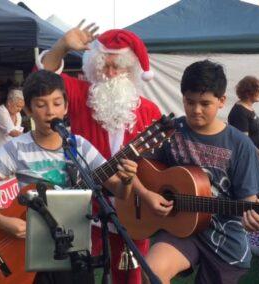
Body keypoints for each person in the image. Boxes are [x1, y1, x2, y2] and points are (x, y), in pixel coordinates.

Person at [0, 70, 138, 283]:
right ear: (28, 109)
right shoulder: (17, 148)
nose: (50, 112)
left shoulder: (79, 146)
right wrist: (2, 222)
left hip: (75, 252)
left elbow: (119, 191)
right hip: (32, 253)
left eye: (56, 103)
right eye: (41, 104)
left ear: (66, 107)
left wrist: (127, 181)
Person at [39, 22, 164, 284]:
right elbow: (43, 81)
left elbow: (157, 168)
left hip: (131, 211)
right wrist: (61, 46)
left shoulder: (150, 112)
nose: (108, 73)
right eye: (103, 66)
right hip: (83, 208)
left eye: (116, 67)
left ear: (129, 70)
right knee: (74, 274)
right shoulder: (81, 96)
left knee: (129, 277)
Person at [139, 60, 259, 284]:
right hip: (180, 229)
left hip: (224, 238)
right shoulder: (171, 132)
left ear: (221, 101)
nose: (196, 110)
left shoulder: (239, 144)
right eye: (190, 102)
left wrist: (253, 217)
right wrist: (147, 194)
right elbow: (136, 168)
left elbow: (250, 200)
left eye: (205, 103)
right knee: (152, 273)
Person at [228, 76, 259, 165]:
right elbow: (244, 141)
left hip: (253, 158)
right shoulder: (240, 112)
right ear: (249, 93)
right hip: (245, 160)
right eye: (258, 90)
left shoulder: (248, 108)